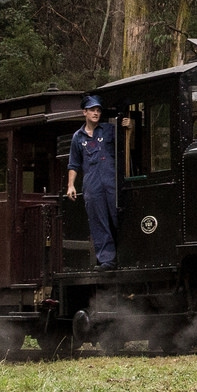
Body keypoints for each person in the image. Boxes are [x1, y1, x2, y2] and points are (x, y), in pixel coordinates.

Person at [67, 95, 119, 268]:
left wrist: (128, 127)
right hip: (92, 184)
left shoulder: (109, 130)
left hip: (111, 181)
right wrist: (71, 185)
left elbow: (126, 143)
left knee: (117, 216)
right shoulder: (77, 137)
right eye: (92, 110)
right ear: (85, 112)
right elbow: (73, 164)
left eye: (98, 110)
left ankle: (124, 253)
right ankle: (107, 259)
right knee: (98, 221)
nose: (96, 113)